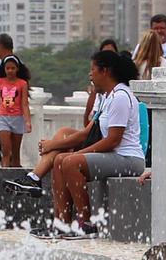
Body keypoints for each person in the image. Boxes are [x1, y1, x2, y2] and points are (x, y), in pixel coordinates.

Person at [40, 49, 145, 238]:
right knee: (59, 160)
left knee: (71, 162)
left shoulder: (121, 97)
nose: (90, 74)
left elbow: (113, 140)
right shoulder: (108, 97)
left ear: (105, 71)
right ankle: (61, 223)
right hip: (115, 156)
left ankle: (86, 224)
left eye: (93, 69)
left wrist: (78, 155)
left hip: (128, 159)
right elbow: (88, 131)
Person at [0, 55, 31, 167]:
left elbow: (24, 104)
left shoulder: (22, 84)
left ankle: (16, 177)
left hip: (17, 118)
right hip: (3, 118)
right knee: (6, 151)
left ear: (17, 69)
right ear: (4, 69)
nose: (10, 71)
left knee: (16, 154)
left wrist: (27, 121)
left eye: (13, 68)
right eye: (7, 68)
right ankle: (5, 175)